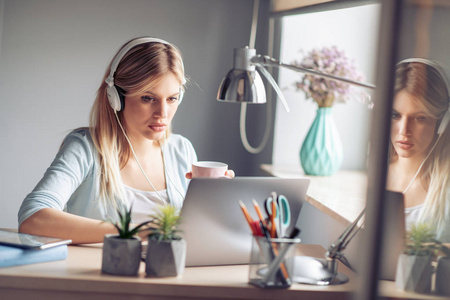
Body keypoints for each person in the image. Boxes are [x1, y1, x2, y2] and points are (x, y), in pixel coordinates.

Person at [18, 37, 234, 244]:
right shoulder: (85, 148)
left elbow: (194, 232)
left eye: (172, 99)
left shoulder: (182, 149)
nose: (163, 113)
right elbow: (33, 218)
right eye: (148, 98)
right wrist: (137, 232)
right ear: (116, 98)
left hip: (168, 276)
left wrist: (215, 201)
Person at [387, 58, 450, 242]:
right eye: (395, 115)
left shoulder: (445, 192)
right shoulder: (373, 171)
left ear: (442, 123)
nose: (404, 131)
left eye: (419, 118)